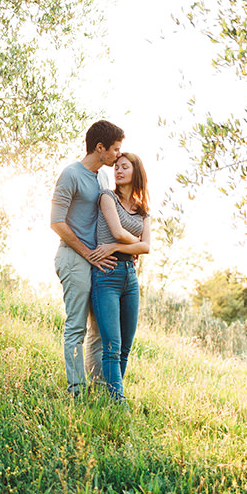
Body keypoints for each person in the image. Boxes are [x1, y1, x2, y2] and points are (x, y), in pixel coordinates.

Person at [51, 120, 124, 395]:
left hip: (98, 261)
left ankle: (96, 386)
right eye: (115, 149)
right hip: (73, 258)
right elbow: (56, 222)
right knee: (76, 326)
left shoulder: (103, 177)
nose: (118, 155)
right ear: (100, 147)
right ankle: (76, 390)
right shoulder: (71, 174)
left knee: (98, 329)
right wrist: (87, 254)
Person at [86, 152, 152, 403]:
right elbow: (117, 231)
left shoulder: (143, 210)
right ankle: (118, 402)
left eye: (125, 167)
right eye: (116, 167)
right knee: (111, 345)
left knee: (125, 346)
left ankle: (110, 397)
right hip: (106, 276)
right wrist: (135, 243)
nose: (118, 171)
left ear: (136, 171)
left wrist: (115, 247)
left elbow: (146, 249)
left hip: (129, 278)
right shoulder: (107, 197)